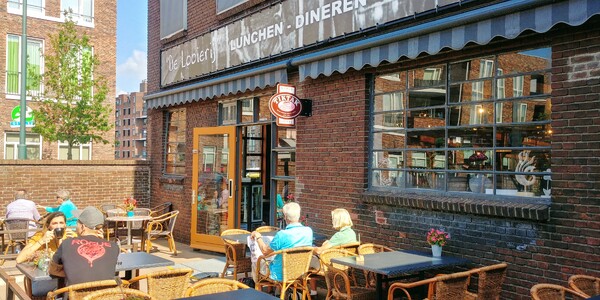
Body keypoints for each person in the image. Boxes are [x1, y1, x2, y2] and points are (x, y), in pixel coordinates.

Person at [49, 206, 120, 285]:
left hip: (76, 295)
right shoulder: (114, 247)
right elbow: (104, 269)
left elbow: (52, 270)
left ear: (82, 226)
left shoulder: (67, 243)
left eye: (77, 223)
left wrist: (73, 274)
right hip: (105, 295)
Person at [250, 202, 313, 281]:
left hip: (280, 274)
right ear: (299, 215)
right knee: (273, 259)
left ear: (285, 217)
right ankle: (278, 291)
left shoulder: (282, 234)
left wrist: (258, 237)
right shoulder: (308, 231)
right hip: (300, 273)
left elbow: (265, 251)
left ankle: (257, 291)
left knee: (256, 261)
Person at [309, 208, 358, 296]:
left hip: (331, 266)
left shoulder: (339, 235)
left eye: (332, 219)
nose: (331, 221)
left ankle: (309, 292)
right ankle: (312, 293)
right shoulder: (352, 233)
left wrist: (311, 249)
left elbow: (320, 250)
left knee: (307, 260)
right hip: (347, 265)